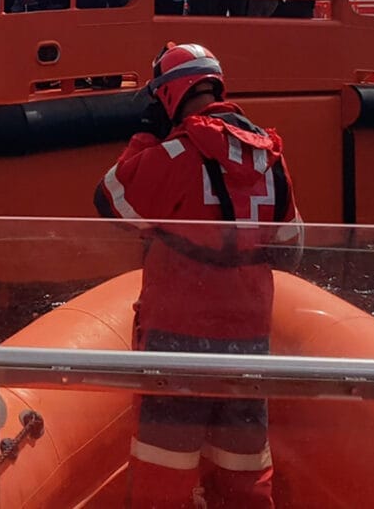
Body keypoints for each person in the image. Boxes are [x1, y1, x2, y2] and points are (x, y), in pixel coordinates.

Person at [94, 43, 298, 509]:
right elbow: (291, 244)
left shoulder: (172, 155)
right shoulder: (271, 158)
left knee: (163, 464)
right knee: (244, 462)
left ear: (168, 95)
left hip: (177, 330)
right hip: (249, 334)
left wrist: (144, 138)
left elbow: (110, 200)